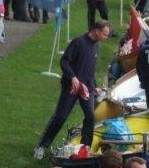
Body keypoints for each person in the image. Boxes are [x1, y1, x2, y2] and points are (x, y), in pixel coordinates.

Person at [36, 21, 112, 158]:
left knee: (90, 116)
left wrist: (94, 86)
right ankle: (42, 146)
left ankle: (85, 147)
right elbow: (64, 61)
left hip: (86, 88)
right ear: (96, 30)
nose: (106, 37)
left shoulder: (96, 45)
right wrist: (72, 77)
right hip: (71, 87)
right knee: (60, 116)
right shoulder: (78, 42)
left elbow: (90, 69)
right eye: (105, 34)